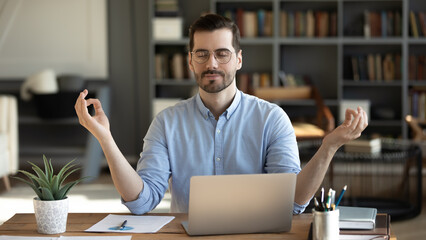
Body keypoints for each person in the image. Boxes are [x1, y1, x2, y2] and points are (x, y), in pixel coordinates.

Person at [75, 13, 368, 215]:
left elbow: (291, 203)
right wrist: (105, 138)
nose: (211, 63)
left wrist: (329, 145)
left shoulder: (272, 119)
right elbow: (142, 202)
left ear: (239, 59)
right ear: (190, 61)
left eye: (222, 53)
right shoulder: (166, 123)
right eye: (201, 54)